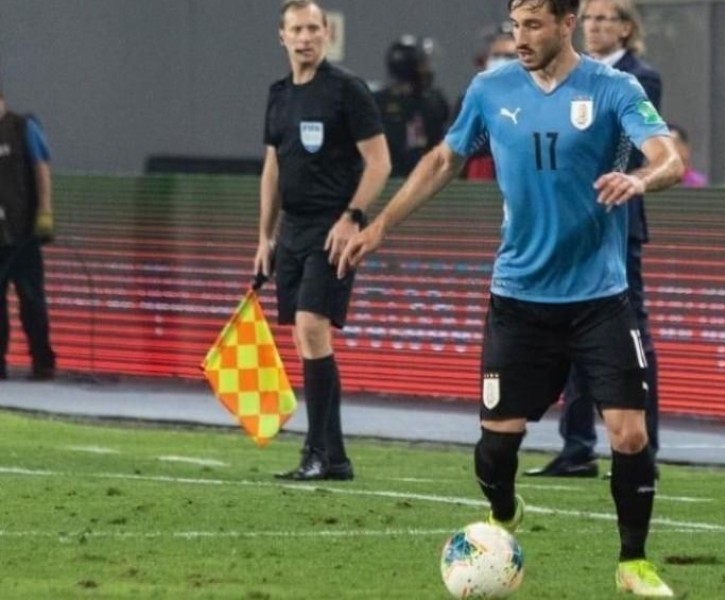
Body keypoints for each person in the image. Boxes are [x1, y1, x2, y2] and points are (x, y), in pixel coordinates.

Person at [339, 0, 682, 595]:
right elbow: (445, 158)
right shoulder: (490, 89)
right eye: (515, 26)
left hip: (600, 299)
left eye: (534, 26)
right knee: (496, 450)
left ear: (566, 22)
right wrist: (382, 224)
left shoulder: (613, 88)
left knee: (629, 434)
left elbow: (669, 157)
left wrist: (640, 179)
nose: (520, 38)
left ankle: (633, 562)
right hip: (520, 300)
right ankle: (503, 514)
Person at [255, 0, 391, 481]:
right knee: (302, 334)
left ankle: (319, 452)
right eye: (298, 29)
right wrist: (264, 237)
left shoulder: (346, 90)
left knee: (313, 327)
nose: (307, 36)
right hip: (291, 230)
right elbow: (273, 168)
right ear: (283, 36)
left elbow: (380, 163)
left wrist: (353, 217)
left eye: (315, 28)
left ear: (326, 34)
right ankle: (334, 457)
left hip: (333, 230)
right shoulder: (278, 94)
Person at [526, 0, 662, 479]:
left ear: (626, 28)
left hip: (613, 224)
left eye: (607, 18)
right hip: (564, 226)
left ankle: (644, 444)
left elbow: (632, 147)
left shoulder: (636, 79)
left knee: (630, 334)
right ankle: (577, 445)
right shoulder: (565, 76)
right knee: (567, 328)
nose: (596, 26)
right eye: (591, 17)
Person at [0, 87, 56, 381]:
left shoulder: (23, 127)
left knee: (31, 299)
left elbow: (41, 167)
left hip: (23, 234)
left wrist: (45, 211)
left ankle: (43, 362)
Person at [374, 35, 450, 177]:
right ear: (408, 68)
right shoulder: (379, 103)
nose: (428, 69)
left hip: (427, 179)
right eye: (422, 64)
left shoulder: (434, 101)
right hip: (389, 179)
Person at [460, 22, 517, 181]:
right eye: (496, 56)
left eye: (508, 57)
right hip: (481, 182)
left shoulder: (538, 100)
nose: (501, 61)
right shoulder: (470, 100)